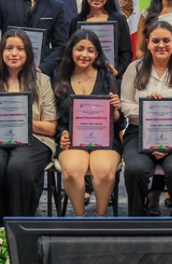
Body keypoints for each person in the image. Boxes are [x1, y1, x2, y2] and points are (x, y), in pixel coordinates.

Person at [0, 29, 56, 227]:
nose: (14, 53)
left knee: (19, 166)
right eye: (9, 48)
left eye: (20, 49)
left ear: (28, 53)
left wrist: (20, 120)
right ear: (1, 52)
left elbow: (51, 128)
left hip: (35, 139)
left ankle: (20, 230)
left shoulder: (42, 81)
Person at [120, 20, 172, 217]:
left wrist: (165, 143)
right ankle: (137, 219)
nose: (161, 45)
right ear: (147, 43)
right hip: (139, 133)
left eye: (166, 40)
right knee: (135, 169)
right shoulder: (134, 69)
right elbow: (125, 105)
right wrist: (149, 109)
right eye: (155, 41)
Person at [53, 29, 126, 217]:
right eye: (80, 49)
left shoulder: (108, 77)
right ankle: (80, 218)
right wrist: (62, 134)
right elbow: (55, 116)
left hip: (105, 139)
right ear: (71, 50)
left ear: (97, 54)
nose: (85, 55)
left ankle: (100, 218)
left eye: (91, 50)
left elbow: (120, 122)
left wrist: (116, 112)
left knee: (104, 171)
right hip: (72, 139)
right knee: (71, 171)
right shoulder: (59, 77)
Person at [73, 0, 134, 76]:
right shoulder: (76, 21)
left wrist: (117, 71)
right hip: (82, 77)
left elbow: (126, 53)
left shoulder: (119, 20)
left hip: (111, 79)